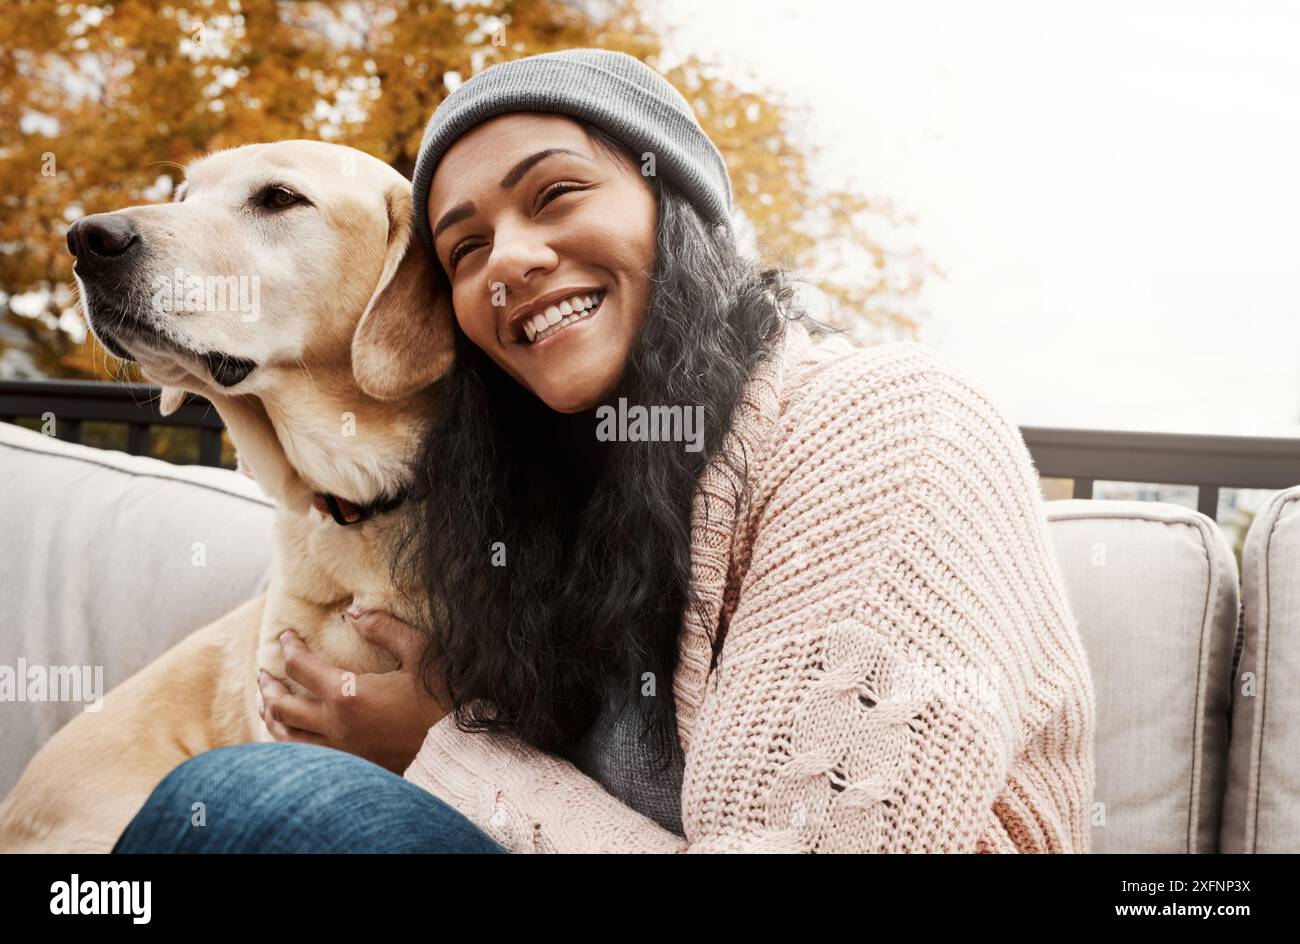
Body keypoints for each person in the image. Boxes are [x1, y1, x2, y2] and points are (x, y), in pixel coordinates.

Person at [115, 48, 1095, 855]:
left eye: (555, 194)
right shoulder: (537, 499)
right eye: (464, 249)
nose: (509, 259)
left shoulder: (890, 423)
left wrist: (441, 747)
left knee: (262, 801)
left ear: (681, 215)